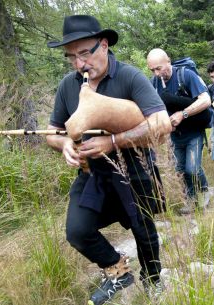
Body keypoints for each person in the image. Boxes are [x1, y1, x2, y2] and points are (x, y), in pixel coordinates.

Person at [45, 15, 171, 305]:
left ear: (103, 45)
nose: (79, 64)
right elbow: (51, 132)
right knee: (78, 230)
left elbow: (161, 123)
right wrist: (64, 143)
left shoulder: (129, 76)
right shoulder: (68, 86)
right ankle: (117, 269)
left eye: (84, 53)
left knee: (143, 230)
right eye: (71, 57)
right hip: (93, 174)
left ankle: (152, 280)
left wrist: (113, 141)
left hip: (134, 168)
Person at [146, 48, 212, 214]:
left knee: (193, 168)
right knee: (180, 170)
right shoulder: (153, 83)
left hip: (193, 132)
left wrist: (183, 114)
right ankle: (190, 200)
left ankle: (204, 192)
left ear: (168, 61)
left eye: (159, 68)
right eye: (152, 70)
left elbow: (206, 100)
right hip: (174, 135)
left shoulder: (186, 75)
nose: (156, 73)